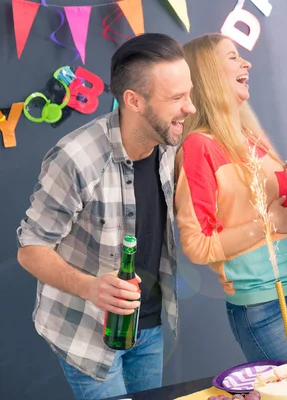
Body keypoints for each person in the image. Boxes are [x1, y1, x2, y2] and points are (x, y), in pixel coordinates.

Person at [16, 33, 196, 399]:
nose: (189, 108)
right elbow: (30, 248)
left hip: (150, 325)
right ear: (133, 100)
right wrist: (89, 287)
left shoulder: (168, 143)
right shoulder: (75, 158)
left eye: (188, 93)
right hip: (86, 331)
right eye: (177, 98)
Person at [176, 34, 287, 362]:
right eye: (233, 57)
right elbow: (197, 246)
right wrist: (265, 223)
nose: (247, 63)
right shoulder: (198, 148)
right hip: (263, 305)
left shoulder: (253, 136)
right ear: (208, 74)